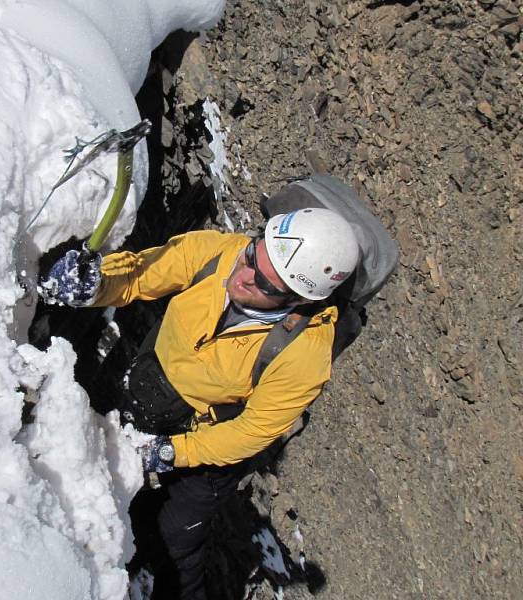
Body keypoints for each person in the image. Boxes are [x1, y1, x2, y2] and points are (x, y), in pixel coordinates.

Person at [43, 207, 360, 599]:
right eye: (252, 256)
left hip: (210, 442)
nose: (241, 275)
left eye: (262, 283)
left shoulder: (303, 356)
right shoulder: (220, 254)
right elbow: (143, 272)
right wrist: (95, 284)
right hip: (151, 388)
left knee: (177, 537)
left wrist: (174, 453)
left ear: (296, 300)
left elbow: (252, 431)